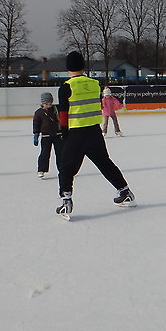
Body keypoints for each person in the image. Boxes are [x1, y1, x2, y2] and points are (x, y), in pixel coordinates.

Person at [54, 51, 135, 219]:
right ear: (83, 65)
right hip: (94, 131)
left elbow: (63, 113)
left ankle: (66, 200)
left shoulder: (66, 87)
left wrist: (63, 132)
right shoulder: (95, 84)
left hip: (76, 132)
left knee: (66, 168)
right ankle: (125, 191)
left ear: (68, 67)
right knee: (104, 163)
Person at [32, 92, 63, 179]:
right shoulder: (39, 113)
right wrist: (36, 134)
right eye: (46, 104)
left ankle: (63, 169)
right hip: (46, 136)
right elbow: (36, 124)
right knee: (44, 154)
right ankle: (41, 170)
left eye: (50, 103)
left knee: (60, 153)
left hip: (58, 135)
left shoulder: (56, 109)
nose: (48, 106)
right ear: (42, 103)